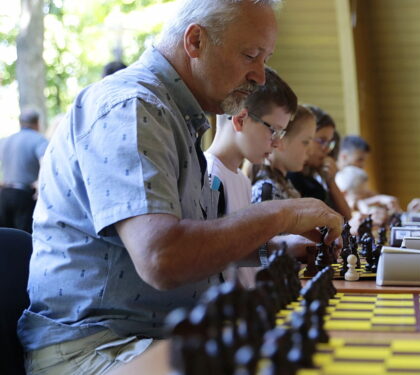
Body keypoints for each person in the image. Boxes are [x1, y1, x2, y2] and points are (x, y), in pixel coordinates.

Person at [17, 1, 342, 374]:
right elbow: (162, 258)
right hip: (95, 349)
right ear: (195, 41)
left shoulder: (176, 116)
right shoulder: (133, 107)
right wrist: (281, 214)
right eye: (251, 55)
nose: (260, 77)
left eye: (265, 59)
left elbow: (192, 246)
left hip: (147, 338)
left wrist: (270, 246)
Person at [205, 66, 297, 288]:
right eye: (273, 130)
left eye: (281, 133)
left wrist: (287, 245)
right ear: (240, 119)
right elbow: (213, 256)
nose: (277, 143)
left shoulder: (242, 180)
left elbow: (239, 250)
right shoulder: (210, 178)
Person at [288, 104, 352, 220]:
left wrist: (331, 181)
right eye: (322, 141)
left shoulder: (313, 178)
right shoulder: (291, 177)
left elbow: (347, 217)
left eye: (329, 143)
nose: (326, 149)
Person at [251, 105, 316, 202]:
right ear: (281, 141)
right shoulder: (267, 191)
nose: (311, 152)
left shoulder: (284, 185)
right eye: (305, 142)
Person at [0, 109, 48, 233]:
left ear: (20, 122)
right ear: (37, 123)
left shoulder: (5, 140)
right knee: (25, 238)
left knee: (6, 237)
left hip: (4, 194)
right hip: (25, 196)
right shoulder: (39, 140)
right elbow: (45, 163)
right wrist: (41, 184)